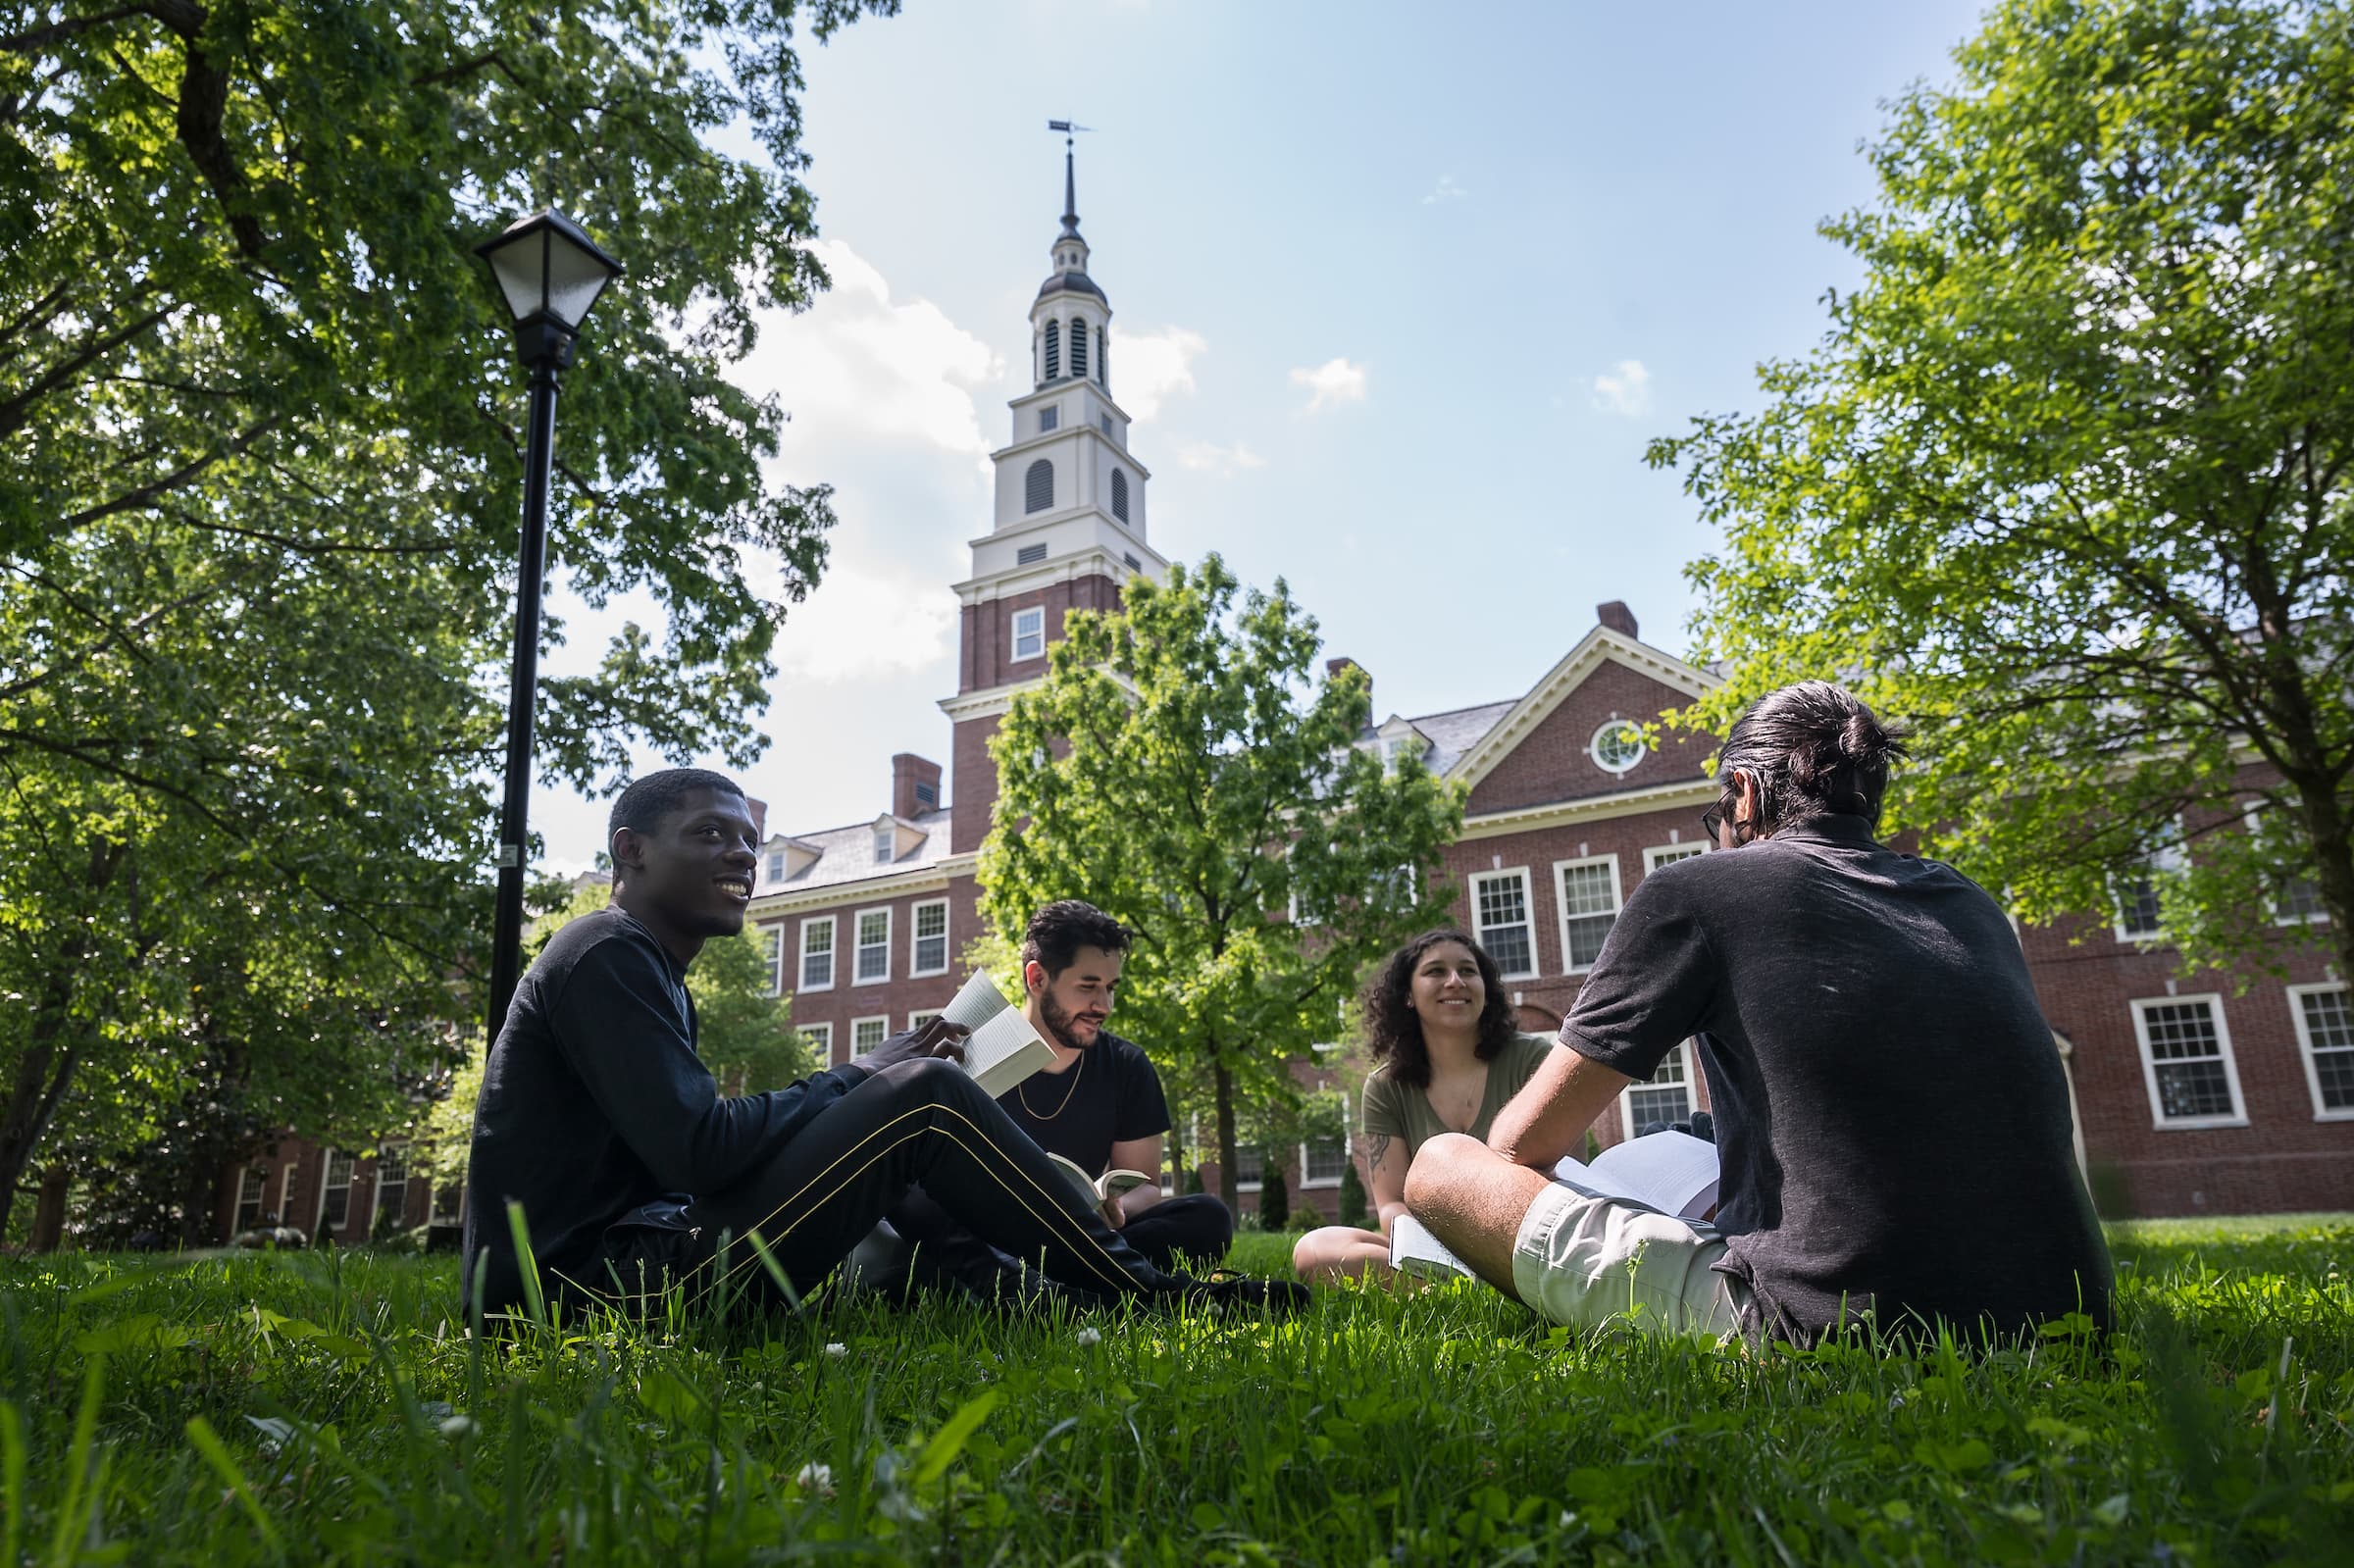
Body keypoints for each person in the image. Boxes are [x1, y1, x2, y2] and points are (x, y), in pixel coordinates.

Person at [1404, 682, 2113, 1345]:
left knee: (1444, 1166)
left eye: (1716, 818)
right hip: (2066, 1315)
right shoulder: (1969, 903)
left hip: (1829, 1327)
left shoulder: (1696, 889)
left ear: (1742, 794)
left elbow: (1518, 1145)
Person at [460, 769, 1305, 1322]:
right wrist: (872, 1069)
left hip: (630, 1262)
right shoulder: (604, 952)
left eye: (750, 839)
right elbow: (701, 1150)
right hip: (586, 1293)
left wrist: (860, 1083)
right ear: (630, 851)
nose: (743, 855)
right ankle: (1144, 1294)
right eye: (711, 835)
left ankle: (1048, 1288)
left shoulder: (641, 967)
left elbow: (697, 1149)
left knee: (912, 1096)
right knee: (923, 1097)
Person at [877, 902, 1235, 1297]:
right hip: (982, 1233)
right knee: (916, 1213)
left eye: (1111, 988)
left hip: (1077, 1234)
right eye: (1088, 986)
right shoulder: (969, 1051)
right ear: (1037, 978)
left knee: (1207, 1218)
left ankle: (1036, 1286)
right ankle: (1072, 1283)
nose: (1104, 1006)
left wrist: (1115, 1207)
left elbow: (1146, 1187)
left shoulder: (1127, 1066)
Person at [1291, 931, 1557, 1284]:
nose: (1455, 981)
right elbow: (1391, 1203)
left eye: (1468, 971)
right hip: (1434, 1247)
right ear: (1408, 996)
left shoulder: (1535, 1060)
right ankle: (1460, 1285)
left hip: (1524, 1242)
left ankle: (1470, 1288)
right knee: (1316, 1249)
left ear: (1486, 989)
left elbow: (1563, 1175)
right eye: (1435, 972)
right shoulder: (1386, 1087)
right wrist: (1430, 1248)